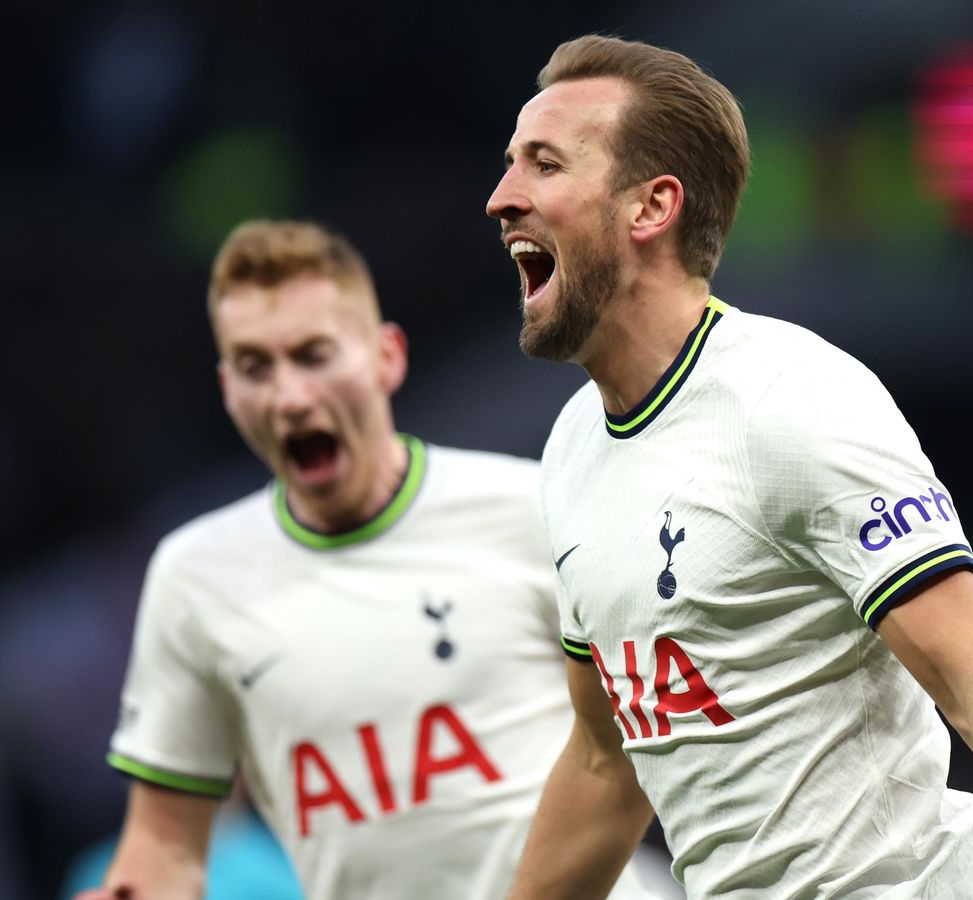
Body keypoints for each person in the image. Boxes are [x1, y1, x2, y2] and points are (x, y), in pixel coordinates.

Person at [485, 35, 973, 899]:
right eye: (511, 164)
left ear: (651, 207)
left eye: (545, 164)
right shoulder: (571, 449)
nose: (502, 198)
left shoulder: (791, 401)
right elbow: (606, 762)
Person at [79, 220, 657, 900]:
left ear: (387, 357)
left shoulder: (536, 509)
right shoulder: (194, 578)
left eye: (314, 356)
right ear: (228, 389)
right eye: (256, 367)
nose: (291, 397)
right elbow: (166, 844)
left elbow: (638, 748)